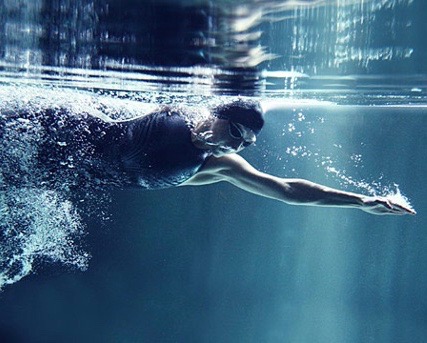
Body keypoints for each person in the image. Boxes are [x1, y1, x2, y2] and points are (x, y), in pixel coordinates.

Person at [1, 98, 415, 216]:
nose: (235, 148)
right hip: (59, 144)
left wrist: (361, 202)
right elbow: (92, 114)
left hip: (62, 179)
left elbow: (287, 190)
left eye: (246, 144)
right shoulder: (168, 114)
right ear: (217, 115)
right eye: (234, 134)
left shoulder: (219, 165)